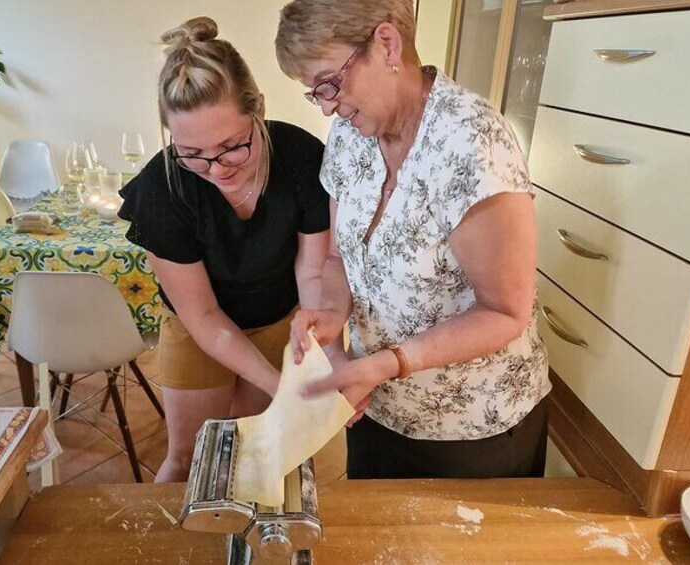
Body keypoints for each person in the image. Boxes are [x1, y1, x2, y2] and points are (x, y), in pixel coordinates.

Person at [275, 0, 550, 480]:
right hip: (379, 408)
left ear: (386, 44)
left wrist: (388, 363)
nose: (325, 105)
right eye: (312, 92)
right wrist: (333, 316)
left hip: (471, 427)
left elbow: (504, 311)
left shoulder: (471, 142)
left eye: (328, 83)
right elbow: (340, 257)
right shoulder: (349, 135)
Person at [119, 16, 330, 483]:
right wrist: (282, 386)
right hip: (199, 331)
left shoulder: (300, 158)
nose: (216, 169)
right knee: (188, 456)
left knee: (251, 446)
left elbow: (313, 271)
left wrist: (315, 341)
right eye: (192, 152)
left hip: (278, 319)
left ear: (259, 112)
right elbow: (205, 319)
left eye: (233, 146)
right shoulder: (161, 188)